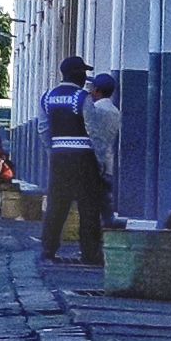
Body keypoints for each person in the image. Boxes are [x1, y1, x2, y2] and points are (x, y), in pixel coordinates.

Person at [37, 56, 105, 264]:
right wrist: (100, 159)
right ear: (76, 74)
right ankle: (90, 253)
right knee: (89, 206)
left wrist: (53, 151)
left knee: (57, 205)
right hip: (84, 158)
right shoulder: (82, 97)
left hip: (59, 157)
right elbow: (93, 130)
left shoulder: (47, 97)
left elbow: (43, 128)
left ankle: (48, 249)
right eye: (83, 72)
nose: (85, 76)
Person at [85, 73, 125, 229]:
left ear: (96, 90)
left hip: (95, 161)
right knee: (105, 199)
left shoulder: (95, 110)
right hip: (108, 161)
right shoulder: (115, 111)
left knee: (92, 202)